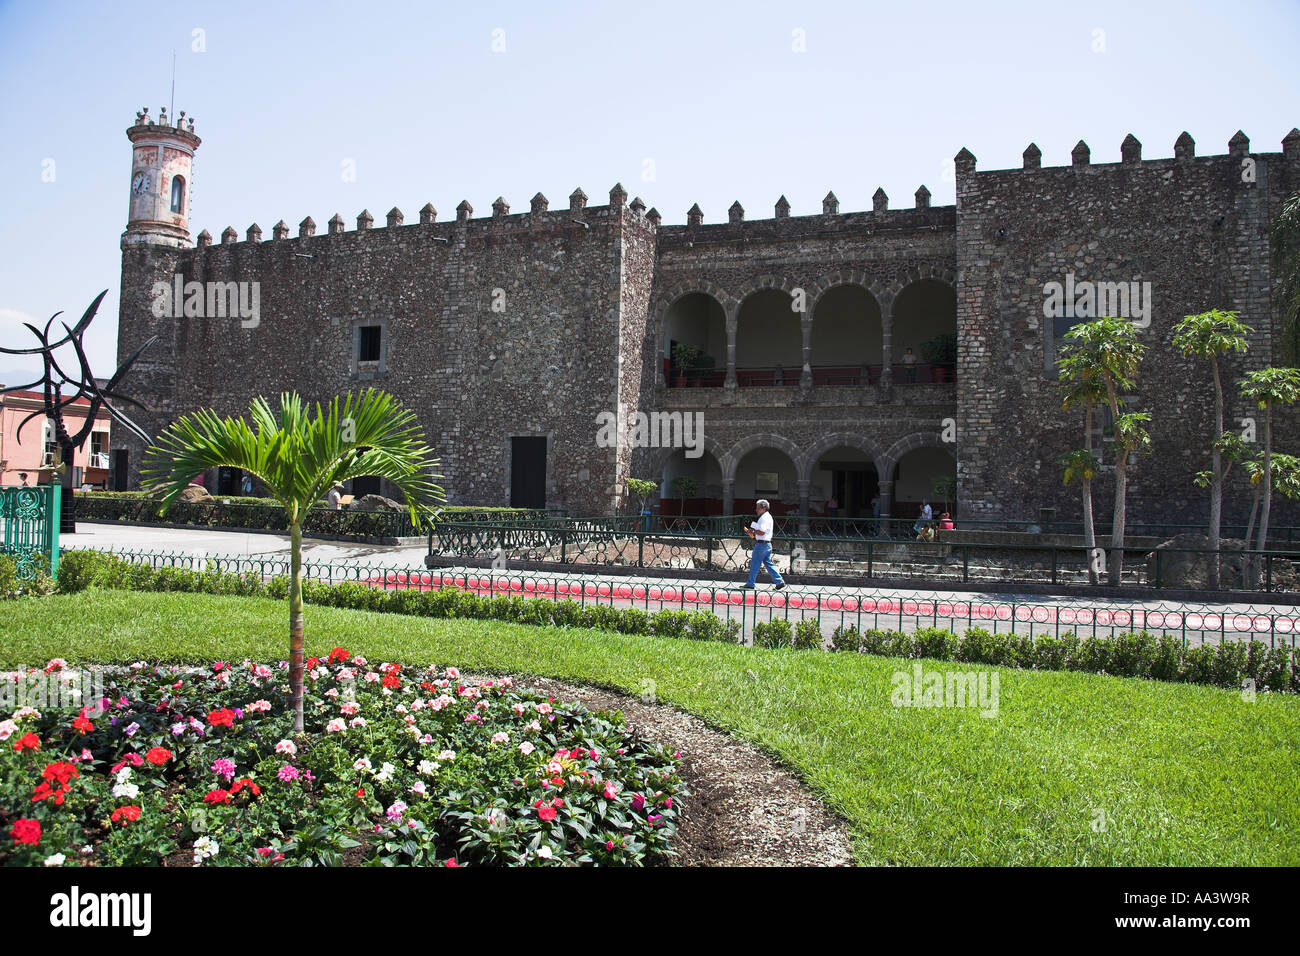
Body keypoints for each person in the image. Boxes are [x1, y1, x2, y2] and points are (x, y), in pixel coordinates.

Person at [742, 499, 785, 590]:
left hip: (761, 545)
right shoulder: (767, 517)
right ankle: (779, 582)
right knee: (768, 564)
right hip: (767, 544)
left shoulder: (764, 518)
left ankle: (750, 584)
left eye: (758, 508)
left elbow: (761, 532)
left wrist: (752, 531)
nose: (756, 510)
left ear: (764, 508)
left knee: (754, 564)